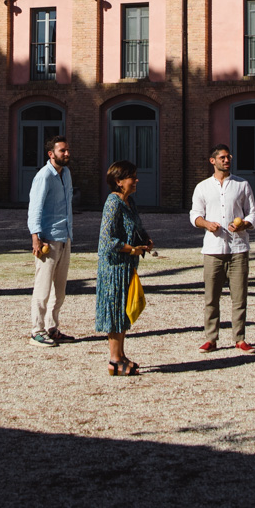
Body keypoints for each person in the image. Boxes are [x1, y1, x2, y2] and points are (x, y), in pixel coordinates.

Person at [190, 142, 255, 353]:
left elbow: (253, 213)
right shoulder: (202, 187)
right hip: (213, 249)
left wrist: (244, 224)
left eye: (229, 157)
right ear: (213, 161)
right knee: (211, 297)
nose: (227, 160)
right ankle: (211, 339)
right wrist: (206, 224)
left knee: (239, 297)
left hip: (238, 249)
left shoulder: (242, 185)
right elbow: (194, 215)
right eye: (222, 157)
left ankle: (240, 338)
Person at [97, 160, 154, 375]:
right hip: (114, 268)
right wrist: (131, 249)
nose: (137, 180)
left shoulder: (129, 202)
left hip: (127, 267)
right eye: (132, 177)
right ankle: (113, 360)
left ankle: (121, 355)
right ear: (119, 181)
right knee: (114, 310)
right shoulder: (113, 203)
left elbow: (137, 227)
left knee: (123, 310)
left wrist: (146, 240)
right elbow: (107, 240)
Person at [26, 134, 76, 347]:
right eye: (62, 150)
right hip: (48, 239)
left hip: (64, 237)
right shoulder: (43, 176)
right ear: (51, 154)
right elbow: (34, 208)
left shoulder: (66, 174)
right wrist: (35, 238)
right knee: (43, 288)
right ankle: (36, 331)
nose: (66, 153)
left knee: (60, 290)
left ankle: (51, 327)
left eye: (67, 150)